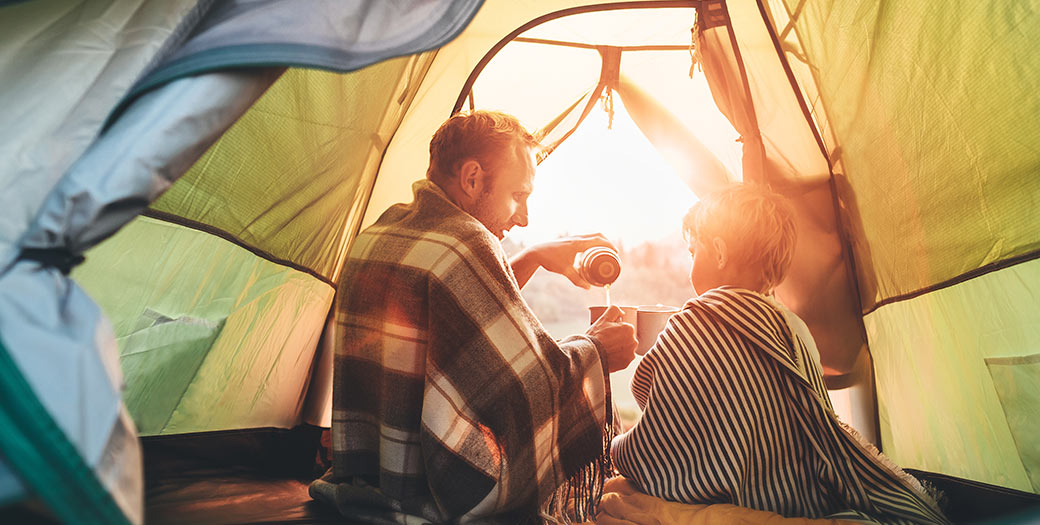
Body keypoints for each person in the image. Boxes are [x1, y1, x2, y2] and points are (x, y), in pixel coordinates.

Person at [309, 110, 637, 523]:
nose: (524, 217)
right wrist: (598, 352)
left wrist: (532, 257)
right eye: (519, 195)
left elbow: (461, 324)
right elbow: (526, 387)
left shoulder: (384, 230)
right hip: (429, 490)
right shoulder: (465, 241)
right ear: (472, 178)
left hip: (375, 472)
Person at [608, 184, 948, 523]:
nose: (691, 264)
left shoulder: (695, 323)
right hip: (803, 495)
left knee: (614, 489)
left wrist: (618, 447)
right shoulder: (794, 326)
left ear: (720, 252)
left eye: (693, 252)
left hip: (743, 499)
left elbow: (658, 443)